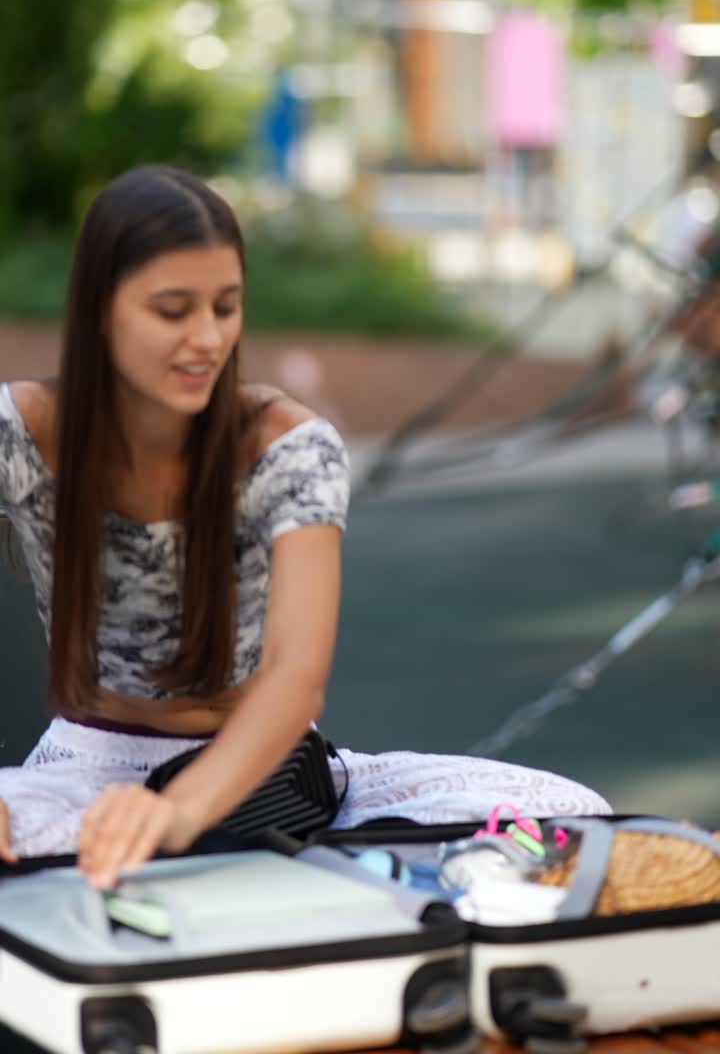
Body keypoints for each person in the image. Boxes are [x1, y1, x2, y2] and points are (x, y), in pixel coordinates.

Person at [0, 165, 609, 890]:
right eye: (172, 310)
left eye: (225, 308)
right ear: (101, 309)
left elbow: (295, 678)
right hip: (82, 774)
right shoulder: (25, 429)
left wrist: (179, 814)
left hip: (266, 771)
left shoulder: (288, 443)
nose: (206, 338)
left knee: (570, 821)